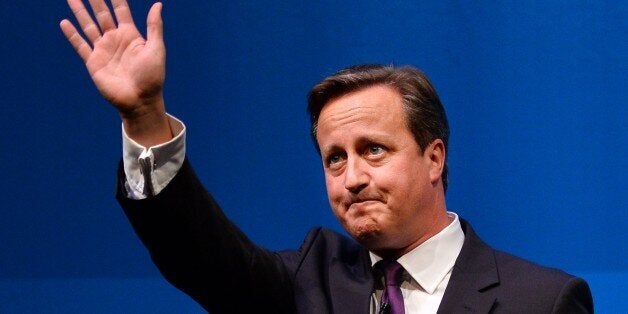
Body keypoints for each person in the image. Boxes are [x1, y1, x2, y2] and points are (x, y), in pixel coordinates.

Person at [60, 1, 594, 313]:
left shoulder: (543, 301)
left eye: (374, 150)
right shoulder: (306, 285)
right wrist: (146, 115)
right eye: (334, 159)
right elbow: (197, 253)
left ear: (435, 158)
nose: (352, 177)